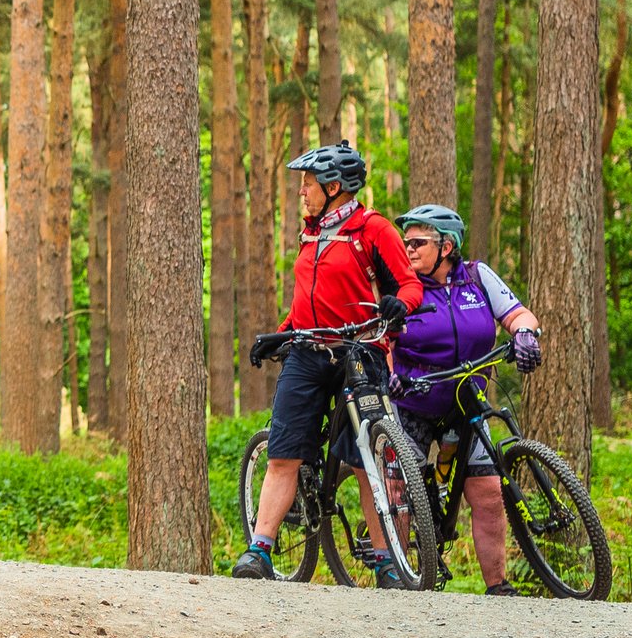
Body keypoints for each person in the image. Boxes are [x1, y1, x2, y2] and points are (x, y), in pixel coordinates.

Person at [233, 141, 424, 585]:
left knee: (366, 459)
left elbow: (410, 285)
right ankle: (259, 550)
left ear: (334, 186)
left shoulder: (373, 229)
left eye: (308, 183)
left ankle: (386, 561)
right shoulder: (313, 231)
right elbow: (309, 301)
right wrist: (281, 332)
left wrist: (399, 306)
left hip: (361, 350)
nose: (302, 191)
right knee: (284, 453)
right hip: (307, 351)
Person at [388, 203, 543, 596]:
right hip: (414, 403)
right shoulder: (403, 285)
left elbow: (519, 313)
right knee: (401, 491)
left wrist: (524, 335)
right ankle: (401, 578)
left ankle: (498, 586)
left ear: (447, 246)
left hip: (467, 402)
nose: (409, 248)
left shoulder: (476, 276)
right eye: (406, 241)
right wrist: (391, 376)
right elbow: (383, 337)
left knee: (489, 493)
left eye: (419, 242)